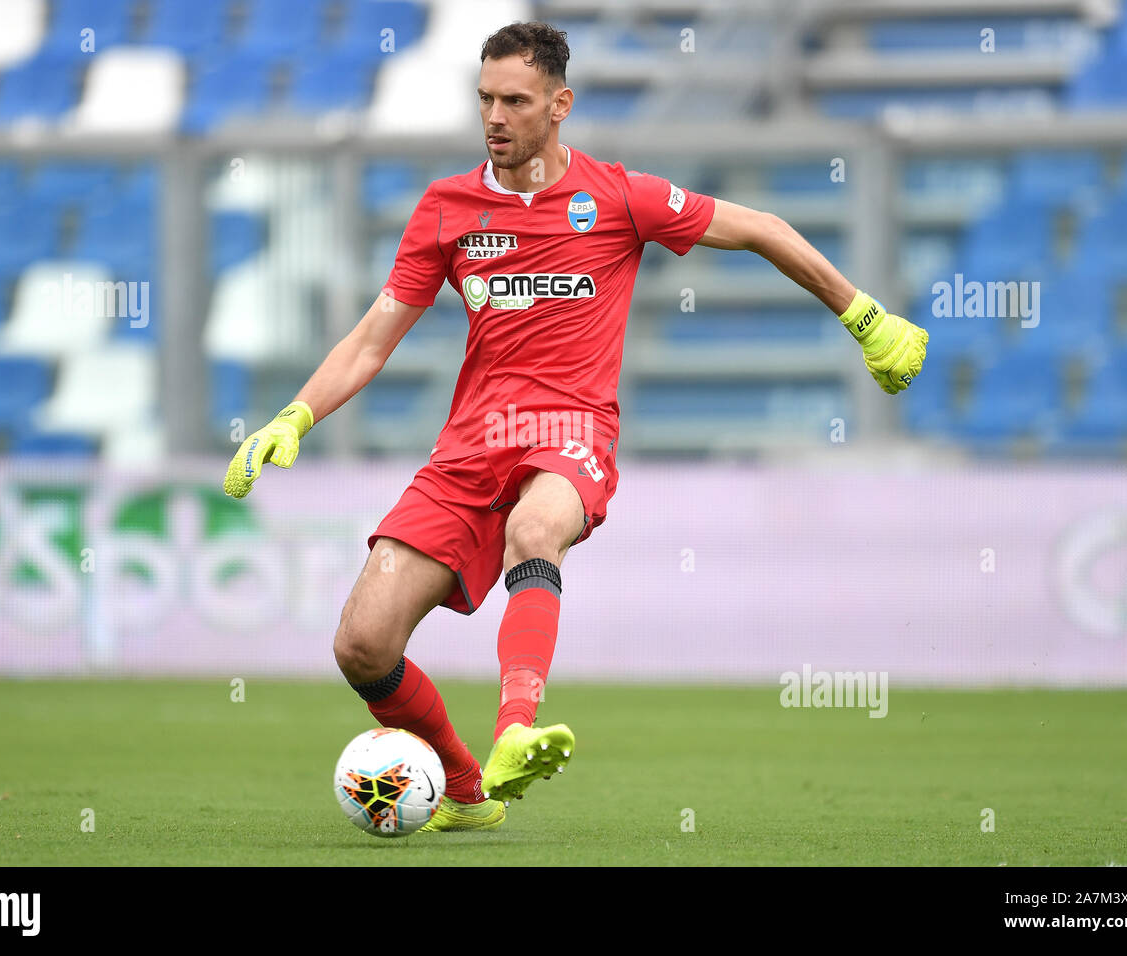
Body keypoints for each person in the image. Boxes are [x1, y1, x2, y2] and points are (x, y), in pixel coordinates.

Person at [223, 21, 928, 831]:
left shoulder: (620, 198)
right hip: (468, 451)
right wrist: (296, 415)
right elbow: (376, 336)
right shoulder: (446, 210)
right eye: (484, 98)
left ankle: (516, 726)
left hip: (570, 432)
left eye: (515, 101)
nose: (494, 116)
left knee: (537, 529)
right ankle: (463, 790)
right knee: (362, 645)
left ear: (560, 105)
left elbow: (762, 227)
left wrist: (866, 317)